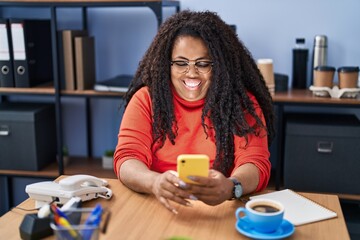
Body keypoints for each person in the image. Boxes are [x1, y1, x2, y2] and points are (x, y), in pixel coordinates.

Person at [114, 10, 275, 214]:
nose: (191, 73)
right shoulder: (146, 99)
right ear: (167, 64)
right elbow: (127, 158)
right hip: (156, 206)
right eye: (181, 63)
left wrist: (231, 186)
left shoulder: (241, 104)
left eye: (203, 64)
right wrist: (154, 182)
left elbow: (255, 162)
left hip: (220, 211)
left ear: (220, 65)